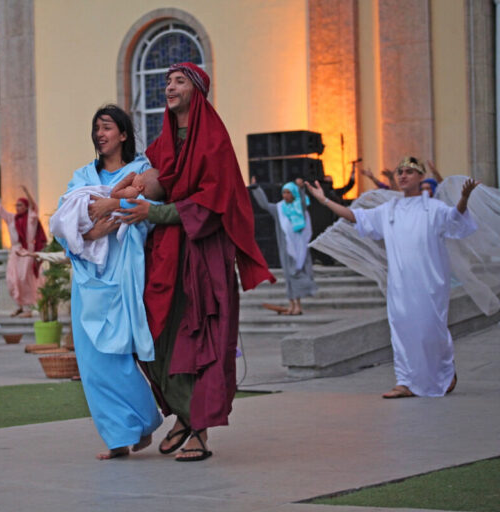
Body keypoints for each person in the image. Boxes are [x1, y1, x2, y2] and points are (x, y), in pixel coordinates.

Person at [109, 63, 274, 461]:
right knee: (159, 335)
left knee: (201, 342)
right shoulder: (164, 143)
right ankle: (184, 413)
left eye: (178, 81)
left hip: (204, 255)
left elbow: (213, 204)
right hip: (166, 255)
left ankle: (199, 428)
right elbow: (151, 182)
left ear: (197, 90)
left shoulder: (214, 140)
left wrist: (155, 213)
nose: (169, 86)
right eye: (167, 81)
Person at [305, 156, 479, 398]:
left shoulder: (433, 208)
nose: (403, 175)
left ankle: (445, 372)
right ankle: (405, 382)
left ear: (420, 177)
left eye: (409, 171)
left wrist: (464, 199)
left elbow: (454, 220)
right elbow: (355, 217)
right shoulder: (389, 210)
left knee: (431, 331)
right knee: (402, 330)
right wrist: (324, 200)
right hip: (400, 284)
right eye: (400, 172)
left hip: (430, 283)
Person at [51, 104, 163, 460]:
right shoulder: (82, 174)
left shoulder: (140, 169)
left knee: (117, 351)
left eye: (107, 127)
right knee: (90, 357)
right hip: (87, 274)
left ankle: (140, 422)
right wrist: (91, 226)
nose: (100, 134)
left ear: (124, 134)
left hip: (124, 270)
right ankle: (117, 437)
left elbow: (146, 205)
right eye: (97, 128)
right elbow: (64, 217)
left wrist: (109, 204)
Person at [251, 179, 317, 315]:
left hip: (299, 250)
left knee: (296, 275)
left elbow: (303, 203)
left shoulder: (300, 207)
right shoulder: (279, 209)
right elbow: (264, 205)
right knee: (288, 277)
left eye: (288, 192)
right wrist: (256, 188)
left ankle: (298, 305)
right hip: (286, 249)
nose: (285, 195)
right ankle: (292, 305)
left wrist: (301, 189)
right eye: (284, 192)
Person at [0, 185, 47, 317]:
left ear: (25, 206)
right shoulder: (12, 218)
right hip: (15, 250)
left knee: (24, 277)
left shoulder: (31, 218)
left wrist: (26, 192)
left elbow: (33, 207)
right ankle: (20, 305)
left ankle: (28, 308)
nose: (17, 207)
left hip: (27, 250)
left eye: (20, 205)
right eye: (16, 205)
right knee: (11, 279)